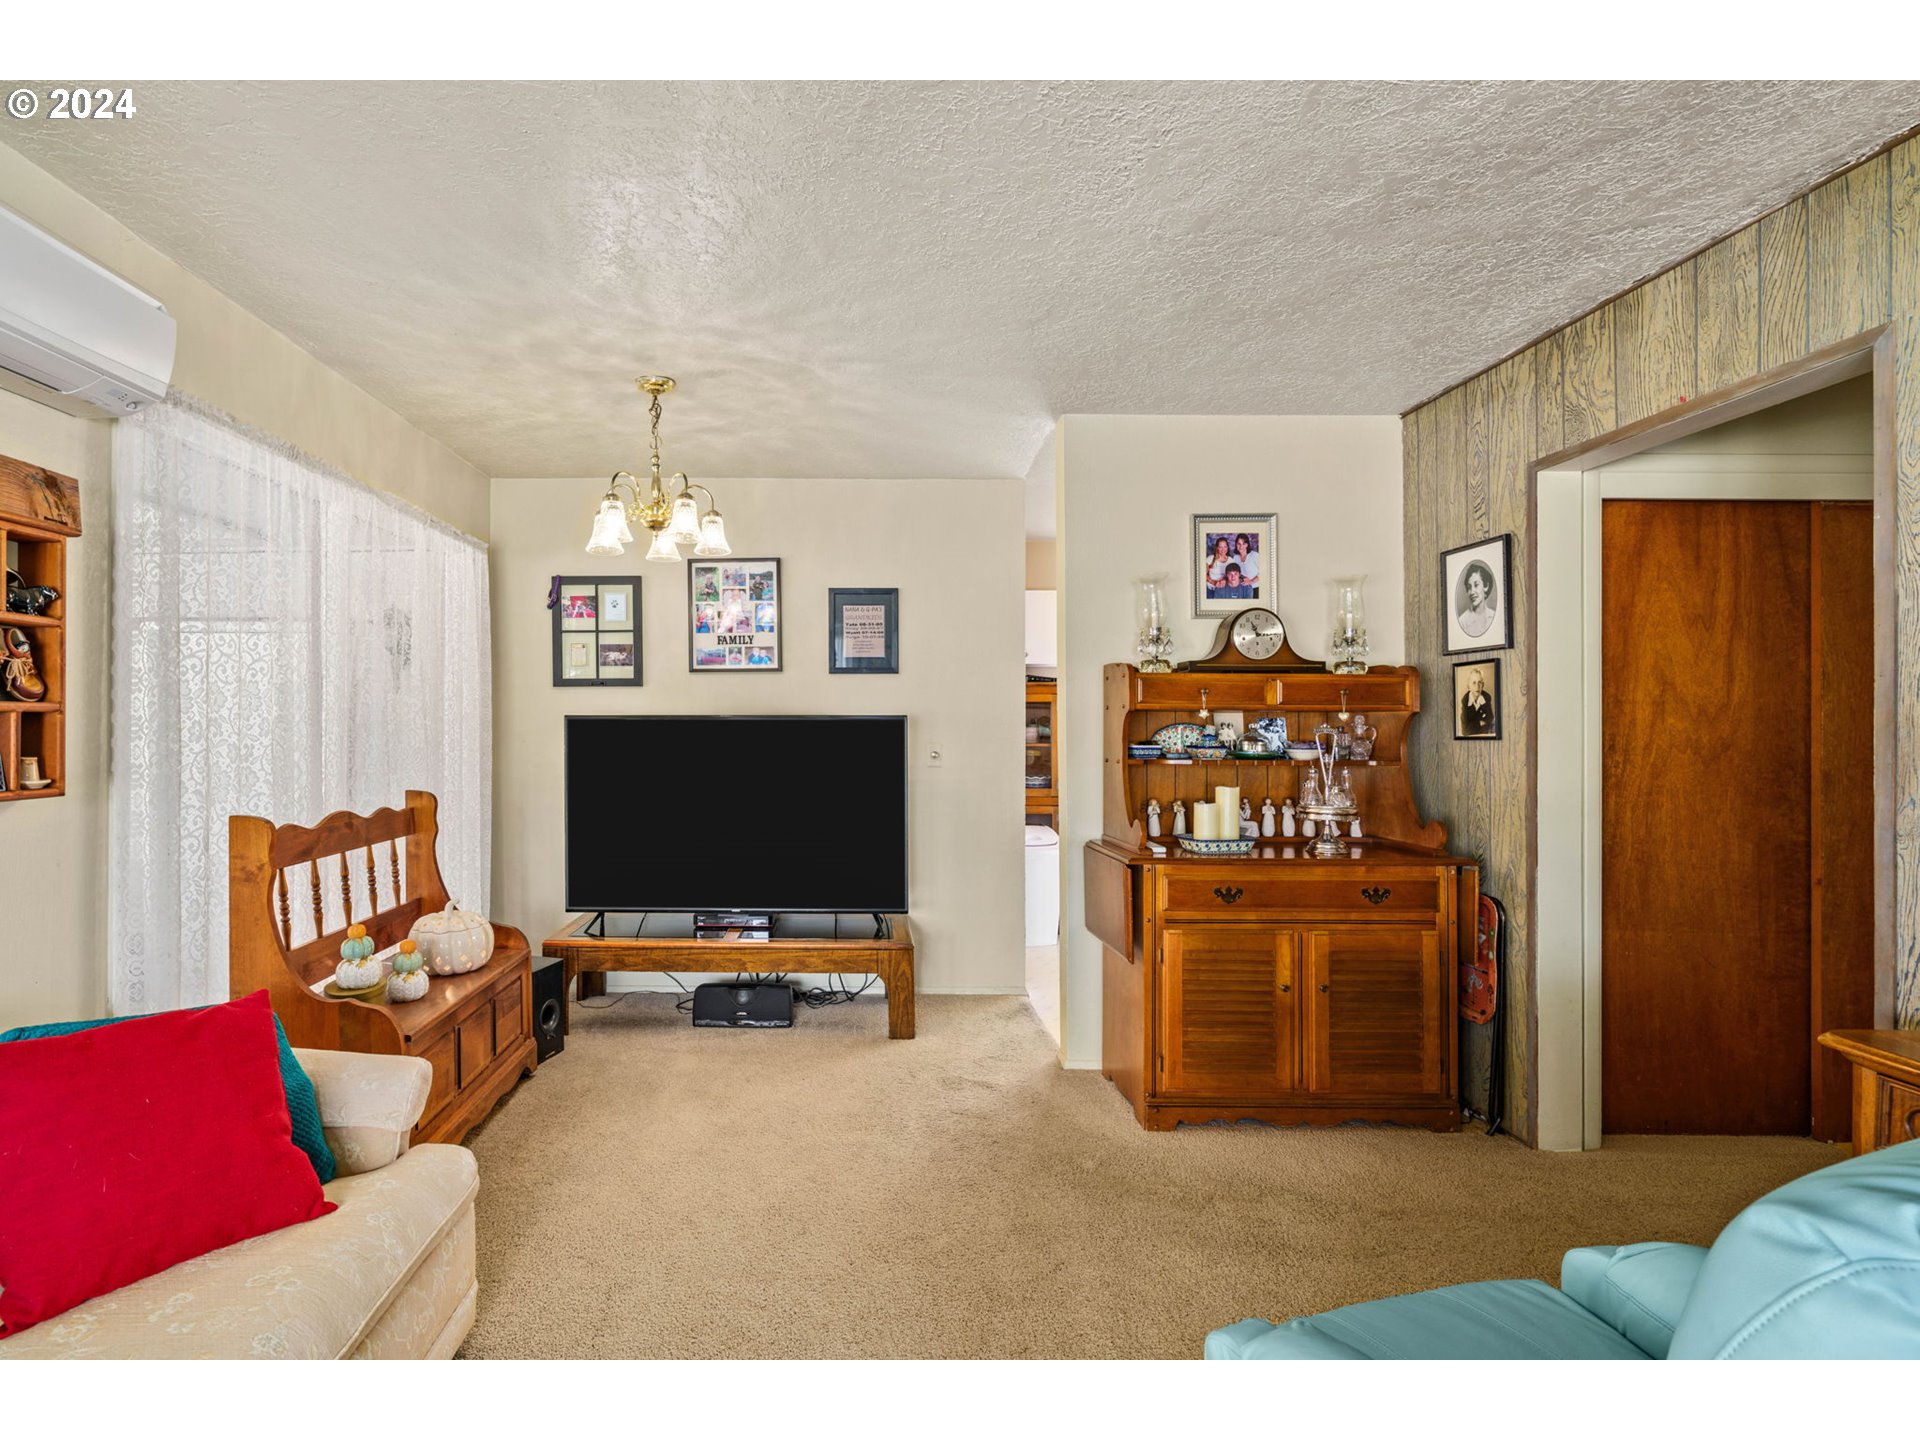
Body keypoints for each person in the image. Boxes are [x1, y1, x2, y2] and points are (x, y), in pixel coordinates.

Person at [1458, 559, 1498, 639]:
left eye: (1476, 585)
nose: (1472, 592)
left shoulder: (1494, 616)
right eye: (1469, 587)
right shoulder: (1462, 621)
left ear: (1486, 586)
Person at [1460, 668, 1495, 736]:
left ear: (1483, 685)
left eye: (1479, 683)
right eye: (1474, 683)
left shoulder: (1486, 698)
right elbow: (1465, 730)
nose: (1477, 686)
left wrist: (1473, 724)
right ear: (1468, 687)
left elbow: (1490, 720)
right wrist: (1480, 723)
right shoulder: (1465, 701)